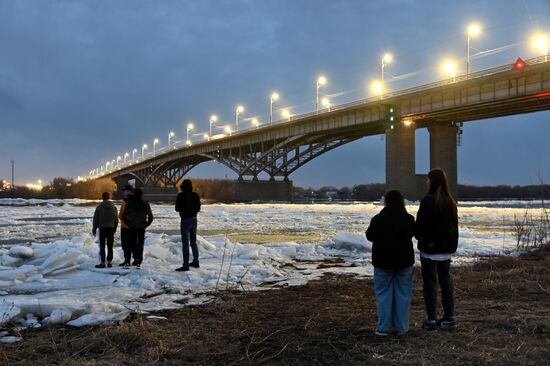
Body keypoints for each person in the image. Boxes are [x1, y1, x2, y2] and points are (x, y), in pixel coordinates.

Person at [366, 190, 415, 336]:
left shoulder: (377, 219)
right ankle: (401, 328)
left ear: (386, 202)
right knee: (403, 294)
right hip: (404, 261)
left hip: (382, 261)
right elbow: (414, 233)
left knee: (383, 294)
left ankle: (383, 328)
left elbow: (370, 236)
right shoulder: (409, 219)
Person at [415, 168, 459, 331]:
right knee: (446, 282)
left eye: (428, 179)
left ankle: (431, 320)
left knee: (430, 284)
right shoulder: (450, 201)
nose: (426, 182)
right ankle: (449, 318)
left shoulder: (427, 200)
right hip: (446, 250)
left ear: (431, 181)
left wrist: (419, 237)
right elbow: (455, 227)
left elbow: (420, 225)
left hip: (429, 249)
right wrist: (452, 246)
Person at [121, 188, 154, 268]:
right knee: (140, 244)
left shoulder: (130, 204)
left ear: (134, 194)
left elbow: (123, 216)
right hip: (141, 227)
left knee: (132, 243)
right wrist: (146, 224)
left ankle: (135, 258)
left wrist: (128, 224)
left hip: (132, 227)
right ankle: (139, 260)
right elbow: (151, 217)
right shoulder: (145, 204)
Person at [175, 179, 201, 272]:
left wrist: (184, 209)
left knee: (185, 243)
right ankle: (196, 261)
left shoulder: (180, 196)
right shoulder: (195, 195)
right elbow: (198, 208)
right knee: (193, 241)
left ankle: (185, 265)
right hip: (194, 219)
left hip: (185, 220)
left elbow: (177, 208)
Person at [92, 192, 119, 268]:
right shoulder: (114, 208)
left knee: (102, 246)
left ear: (102, 197)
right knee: (110, 246)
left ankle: (103, 262)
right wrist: (114, 229)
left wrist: (94, 229)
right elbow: (116, 220)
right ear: (109, 197)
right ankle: (109, 262)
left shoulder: (99, 207)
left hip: (102, 229)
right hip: (111, 228)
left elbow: (95, 220)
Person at [118, 185, 135, 267]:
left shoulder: (125, 201)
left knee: (126, 245)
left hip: (125, 227)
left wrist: (122, 219)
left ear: (129, 191)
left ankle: (127, 261)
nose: (124, 192)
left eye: (125, 190)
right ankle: (136, 260)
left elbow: (120, 215)